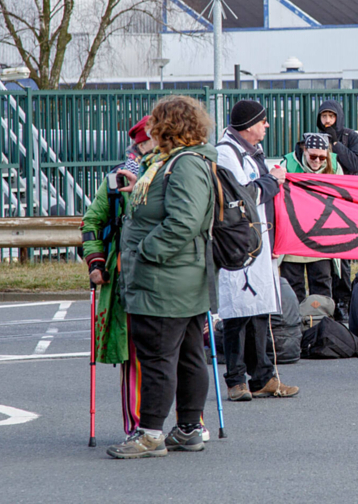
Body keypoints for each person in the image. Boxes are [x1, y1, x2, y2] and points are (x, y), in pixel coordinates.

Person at [107, 96, 216, 458]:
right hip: (179, 277)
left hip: (165, 278)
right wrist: (139, 188)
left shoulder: (184, 164)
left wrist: (146, 252)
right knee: (187, 356)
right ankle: (188, 429)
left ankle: (151, 434)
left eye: (155, 122)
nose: (150, 128)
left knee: (157, 358)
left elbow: (184, 221)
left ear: (169, 126)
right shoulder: (174, 161)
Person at [217, 99, 298, 401]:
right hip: (237, 243)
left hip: (258, 242)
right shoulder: (225, 154)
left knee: (260, 310)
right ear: (248, 125)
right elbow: (242, 197)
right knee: (238, 313)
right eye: (262, 121)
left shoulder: (251, 152)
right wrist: (273, 180)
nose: (266, 125)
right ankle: (236, 380)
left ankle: (263, 376)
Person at [81, 116, 154, 438]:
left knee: (180, 355)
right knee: (134, 356)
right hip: (128, 277)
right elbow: (92, 222)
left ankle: (188, 422)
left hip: (168, 275)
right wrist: (96, 262)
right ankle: (137, 425)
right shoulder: (116, 179)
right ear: (142, 143)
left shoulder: (177, 170)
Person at [316, 99, 358, 314]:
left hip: (345, 201)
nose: (327, 120)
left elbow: (356, 165)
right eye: (324, 116)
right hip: (322, 201)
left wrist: (336, 144)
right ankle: (326, 299)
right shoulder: (315, 137)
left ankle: (344, 299)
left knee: (343, 252)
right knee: (324, 254)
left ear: (338, 117)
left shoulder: (350, 137)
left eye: (331, 116)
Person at [279, 132, 340, 302]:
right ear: (304, 150)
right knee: (292, 287)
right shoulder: (288, 164)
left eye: (322, 158)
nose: (317, 161)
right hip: (293, 234)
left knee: (321, 286)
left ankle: (322, 318)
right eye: (313, 156)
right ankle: (294, 319)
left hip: (322, 235)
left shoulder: (335, 166)